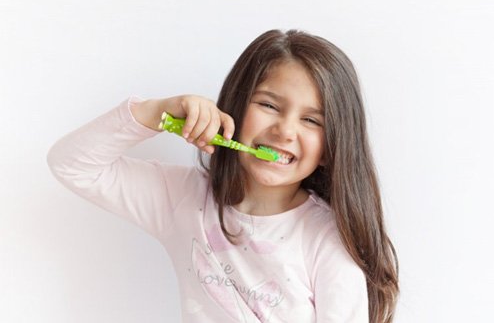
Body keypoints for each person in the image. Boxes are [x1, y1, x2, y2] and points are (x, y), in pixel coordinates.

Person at [47, 29, 399, 322]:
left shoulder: (328, 239)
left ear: (331, 148)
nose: (285, 130)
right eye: (269, 106)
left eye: (311, 120)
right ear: (234, 106)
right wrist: (154, 112)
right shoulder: (182, 198)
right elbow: (72, 164)